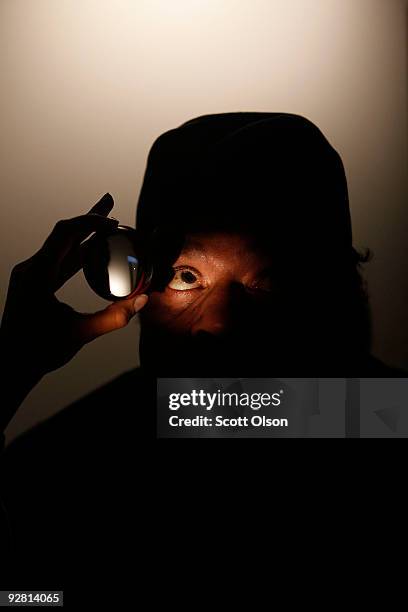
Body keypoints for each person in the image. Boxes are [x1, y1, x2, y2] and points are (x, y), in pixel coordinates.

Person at [0, 112, 405, 582]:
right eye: (186, 276)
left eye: (269, 282)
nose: (219, 323)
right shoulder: (62, 472)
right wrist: (11, 367)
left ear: (328, 293)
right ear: (137, 286)